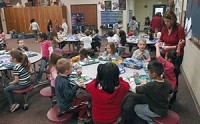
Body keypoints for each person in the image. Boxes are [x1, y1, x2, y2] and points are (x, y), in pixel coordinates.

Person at [55, 58, 91, 123]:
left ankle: (75, 112)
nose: (72, 69)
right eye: (71, 68)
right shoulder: (65, 82)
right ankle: (82, 119)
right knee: (86, 101)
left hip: (61, 101)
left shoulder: (58, 77)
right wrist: (77, 86)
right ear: (66, 71)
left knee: (80, 96)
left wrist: (77, 74)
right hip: (66, 105)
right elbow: (69, 97)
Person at [159, 10, 185, 83]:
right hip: (166, 53)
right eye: (165, 21)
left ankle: (174, 92)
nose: (166, 23)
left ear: (172, 20)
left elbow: (182, 44)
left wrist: (170, 47)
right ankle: (166, 90)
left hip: (175, 54)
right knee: (165, 72)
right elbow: (161, 39)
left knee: (174, 73)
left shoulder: (179, 28)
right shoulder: (164, 28)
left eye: (168, 21)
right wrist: (159, 43)